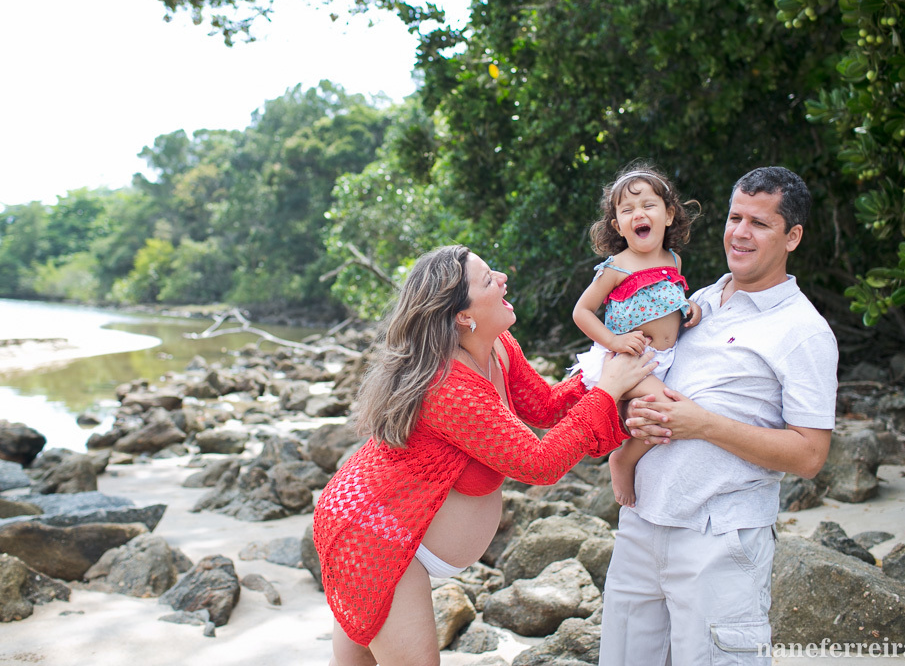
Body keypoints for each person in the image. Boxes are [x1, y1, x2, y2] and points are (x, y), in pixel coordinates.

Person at [314, 244, 657, 666]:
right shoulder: (448, 386)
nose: (503, 278)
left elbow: (546, 407)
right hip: (374, 530)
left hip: (380, 516)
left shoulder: (498, 347)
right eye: (488, 279)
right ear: (464, 315)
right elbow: (539, 463)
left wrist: (603, 374)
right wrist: (608, 390)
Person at [598, 166, 839, 666]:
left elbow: (811, 455)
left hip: (720, 537)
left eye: (760, 223)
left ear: (793, 237)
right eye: (734, 218)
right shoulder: (696, 300)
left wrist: (703, 424)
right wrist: (628, 417)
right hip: (641, 522)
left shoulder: (804, 331)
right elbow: (638, 371)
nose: (740, 233)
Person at [571, 164, 702, 507]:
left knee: (662, 412)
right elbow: (582, 311)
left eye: (648, 205)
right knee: (668, 409)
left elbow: (670, 299)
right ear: (618, 225)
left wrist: (690, 307)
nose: (638, 214)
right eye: (627, 210)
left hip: (665, 360)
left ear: (668, 215)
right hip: (629, 361)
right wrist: (614, 342)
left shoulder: (673, 260)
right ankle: (623, 460)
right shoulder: (616, 266)